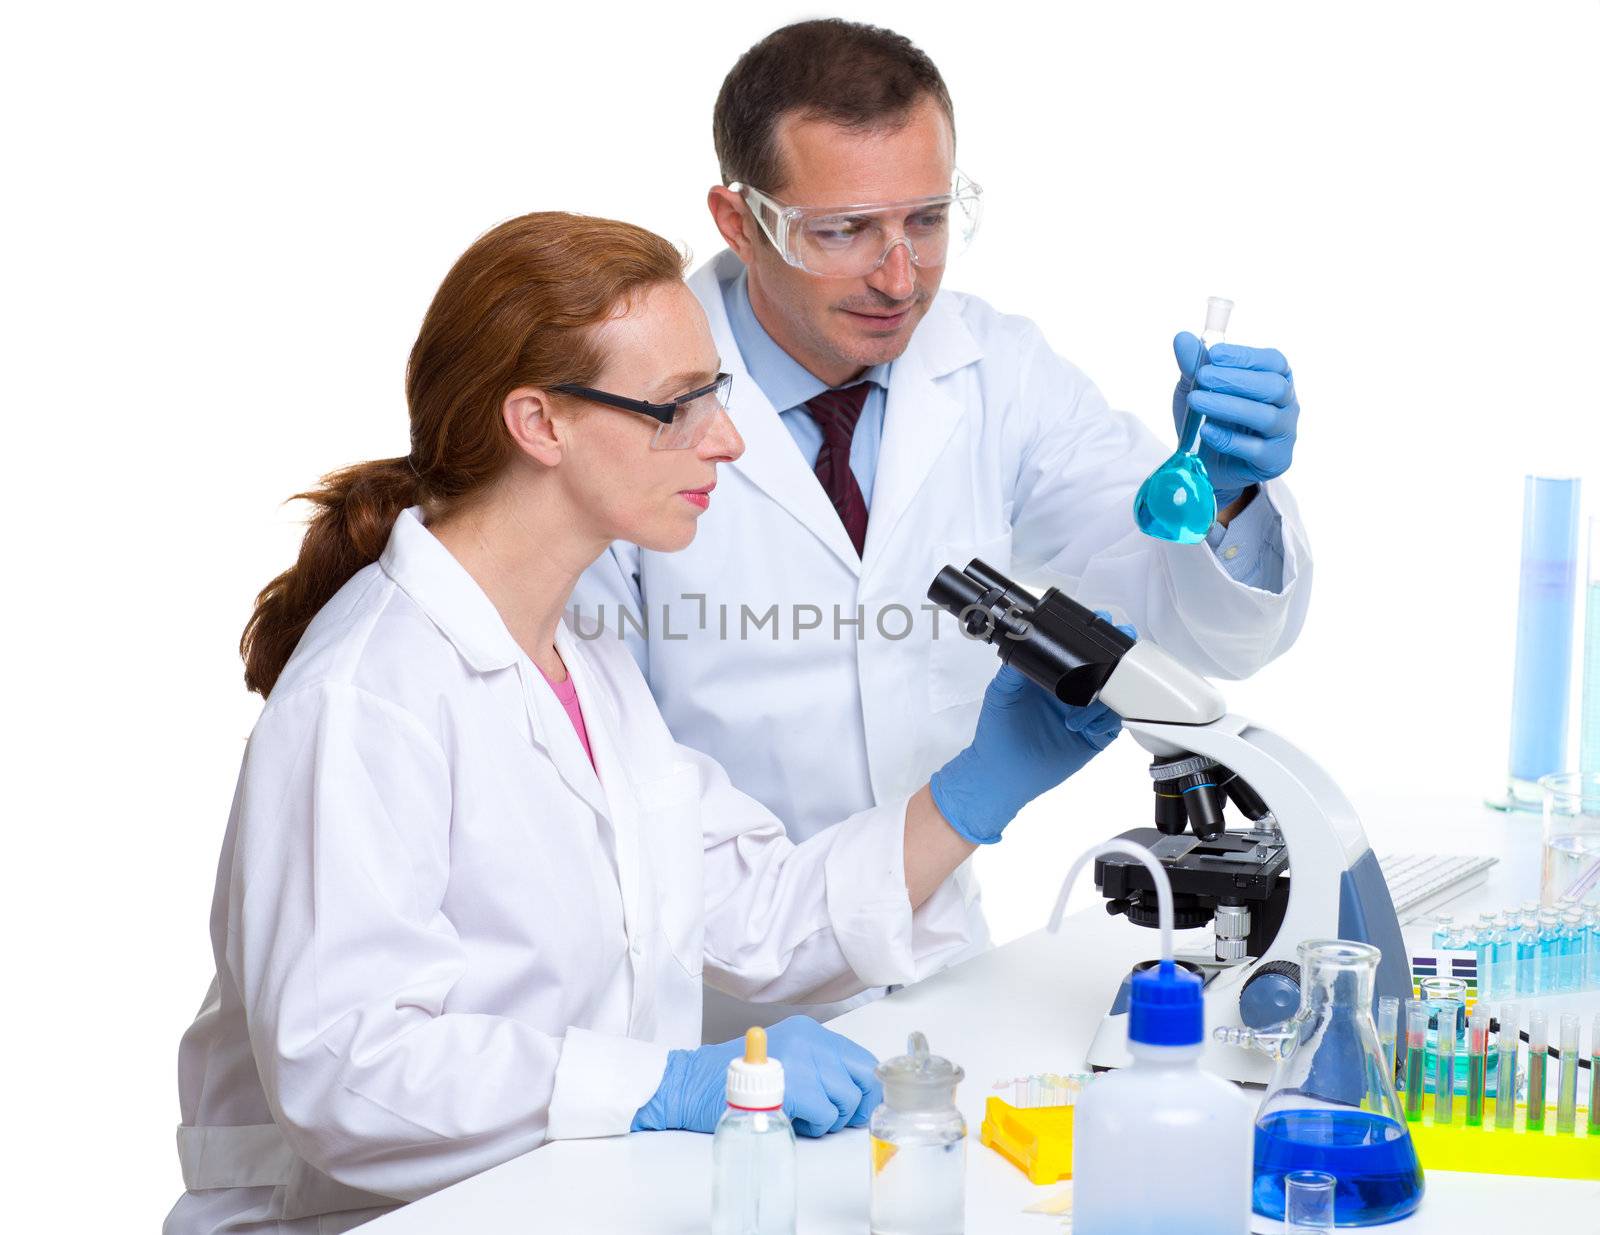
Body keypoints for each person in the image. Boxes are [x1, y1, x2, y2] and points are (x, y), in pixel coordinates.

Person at [165, 212, 1124, 1234]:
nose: (727, 436)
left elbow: (749, 913)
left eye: (714, 390)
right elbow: (348, 1066)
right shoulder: (368, 694)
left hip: (565, 1201)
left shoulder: (580, 655)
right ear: (539, 424)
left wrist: (978, 789)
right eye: (678, 404)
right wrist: (665, 1084)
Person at [570, 19, 1312, 1038]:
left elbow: (1198, 630)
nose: (899, 275)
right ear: (739, 221)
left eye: (925, 217)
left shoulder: (994, 369)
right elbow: (596, 769)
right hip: (693, 999)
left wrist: (1219, 494)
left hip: (933, 977)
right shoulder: (621, 403)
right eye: (845, 230)